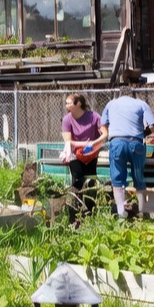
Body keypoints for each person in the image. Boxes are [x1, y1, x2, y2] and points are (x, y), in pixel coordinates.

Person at [99, 84, 154, 218]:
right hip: (136, 143)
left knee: (118, 178)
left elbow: (103, 124)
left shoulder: (110, 104)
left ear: (119, 94)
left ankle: (121, 212)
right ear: (133, 94)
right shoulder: (141, 104)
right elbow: (153, 126)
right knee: (139, 177)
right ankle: (143, 210)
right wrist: (143, 133)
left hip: (117, 142)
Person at [61, 93, 105, 221]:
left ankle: (90, 213)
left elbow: (103, 134)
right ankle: (74, 213)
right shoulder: (67, 120)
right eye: (66, 103)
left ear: (78, 103)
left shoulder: (94, 117)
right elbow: (68, 142)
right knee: (77, 181)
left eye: (69, 102)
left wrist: (94, 144)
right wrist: (87, 143)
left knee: (91, 181)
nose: (67, 105)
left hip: (91, 155)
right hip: (75, 155)